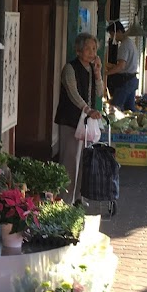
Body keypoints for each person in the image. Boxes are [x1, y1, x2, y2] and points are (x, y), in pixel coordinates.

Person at [54, 33, 104, 203]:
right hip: (70, 120)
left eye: (94, 49)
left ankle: (78, 197)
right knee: (70, 161)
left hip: (85, 122)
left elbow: (100, 92)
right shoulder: (70, 68)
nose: (92, 52)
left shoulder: (91, 69)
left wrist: (98, 74)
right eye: (88, 48)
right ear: (78, 50)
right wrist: (88, 110)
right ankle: (65, 200)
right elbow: (73, 93)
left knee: (84, 160)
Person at [105, 21, 139, 110]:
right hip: (132, 80)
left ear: (119, 31)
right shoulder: (130, 42)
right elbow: (125, 65)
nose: (112, 37)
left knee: (115, 108)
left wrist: (105, 73)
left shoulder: (124, 45)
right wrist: (112, 66)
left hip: (125, 81)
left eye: (112, 34)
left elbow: (121, 66)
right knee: (130, 109)